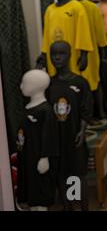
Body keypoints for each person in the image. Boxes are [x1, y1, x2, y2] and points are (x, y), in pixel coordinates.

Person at [47, 40, 93, 211]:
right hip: (56, 141)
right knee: (61, 175)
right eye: (54, 54)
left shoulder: (80, 83)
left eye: (62, 53)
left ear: (69, 55)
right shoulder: (48, 84)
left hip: (75, 138)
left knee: (78, 175)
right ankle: (68, 207)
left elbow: (86, 109)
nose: (57, 57)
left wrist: (82, 130)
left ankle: (83, 207)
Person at [36, 0, 93, 79]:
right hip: (54, 61)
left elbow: (83, 33)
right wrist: (44, 55)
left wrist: (84, 54)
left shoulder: (76, 7)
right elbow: (47, 36)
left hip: (72, 60)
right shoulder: (49, 10)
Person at [69, 0, 107, 121]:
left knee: (93, 84)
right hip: (73, 56)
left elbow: (100, 36)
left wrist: (102, 51)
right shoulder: (61, 9)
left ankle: (97, 114)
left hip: (90, 54)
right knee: (87, 86)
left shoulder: (92, 8)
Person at [16, 70, 58, 211]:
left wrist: (44, 157)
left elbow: (49, 135)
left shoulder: (45, 110)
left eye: (25, 83)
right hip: (26, 158)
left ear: (37, 86)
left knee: (40, 196)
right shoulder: (27, 107)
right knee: (31, 195)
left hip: (38, 158)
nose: (21, 86)